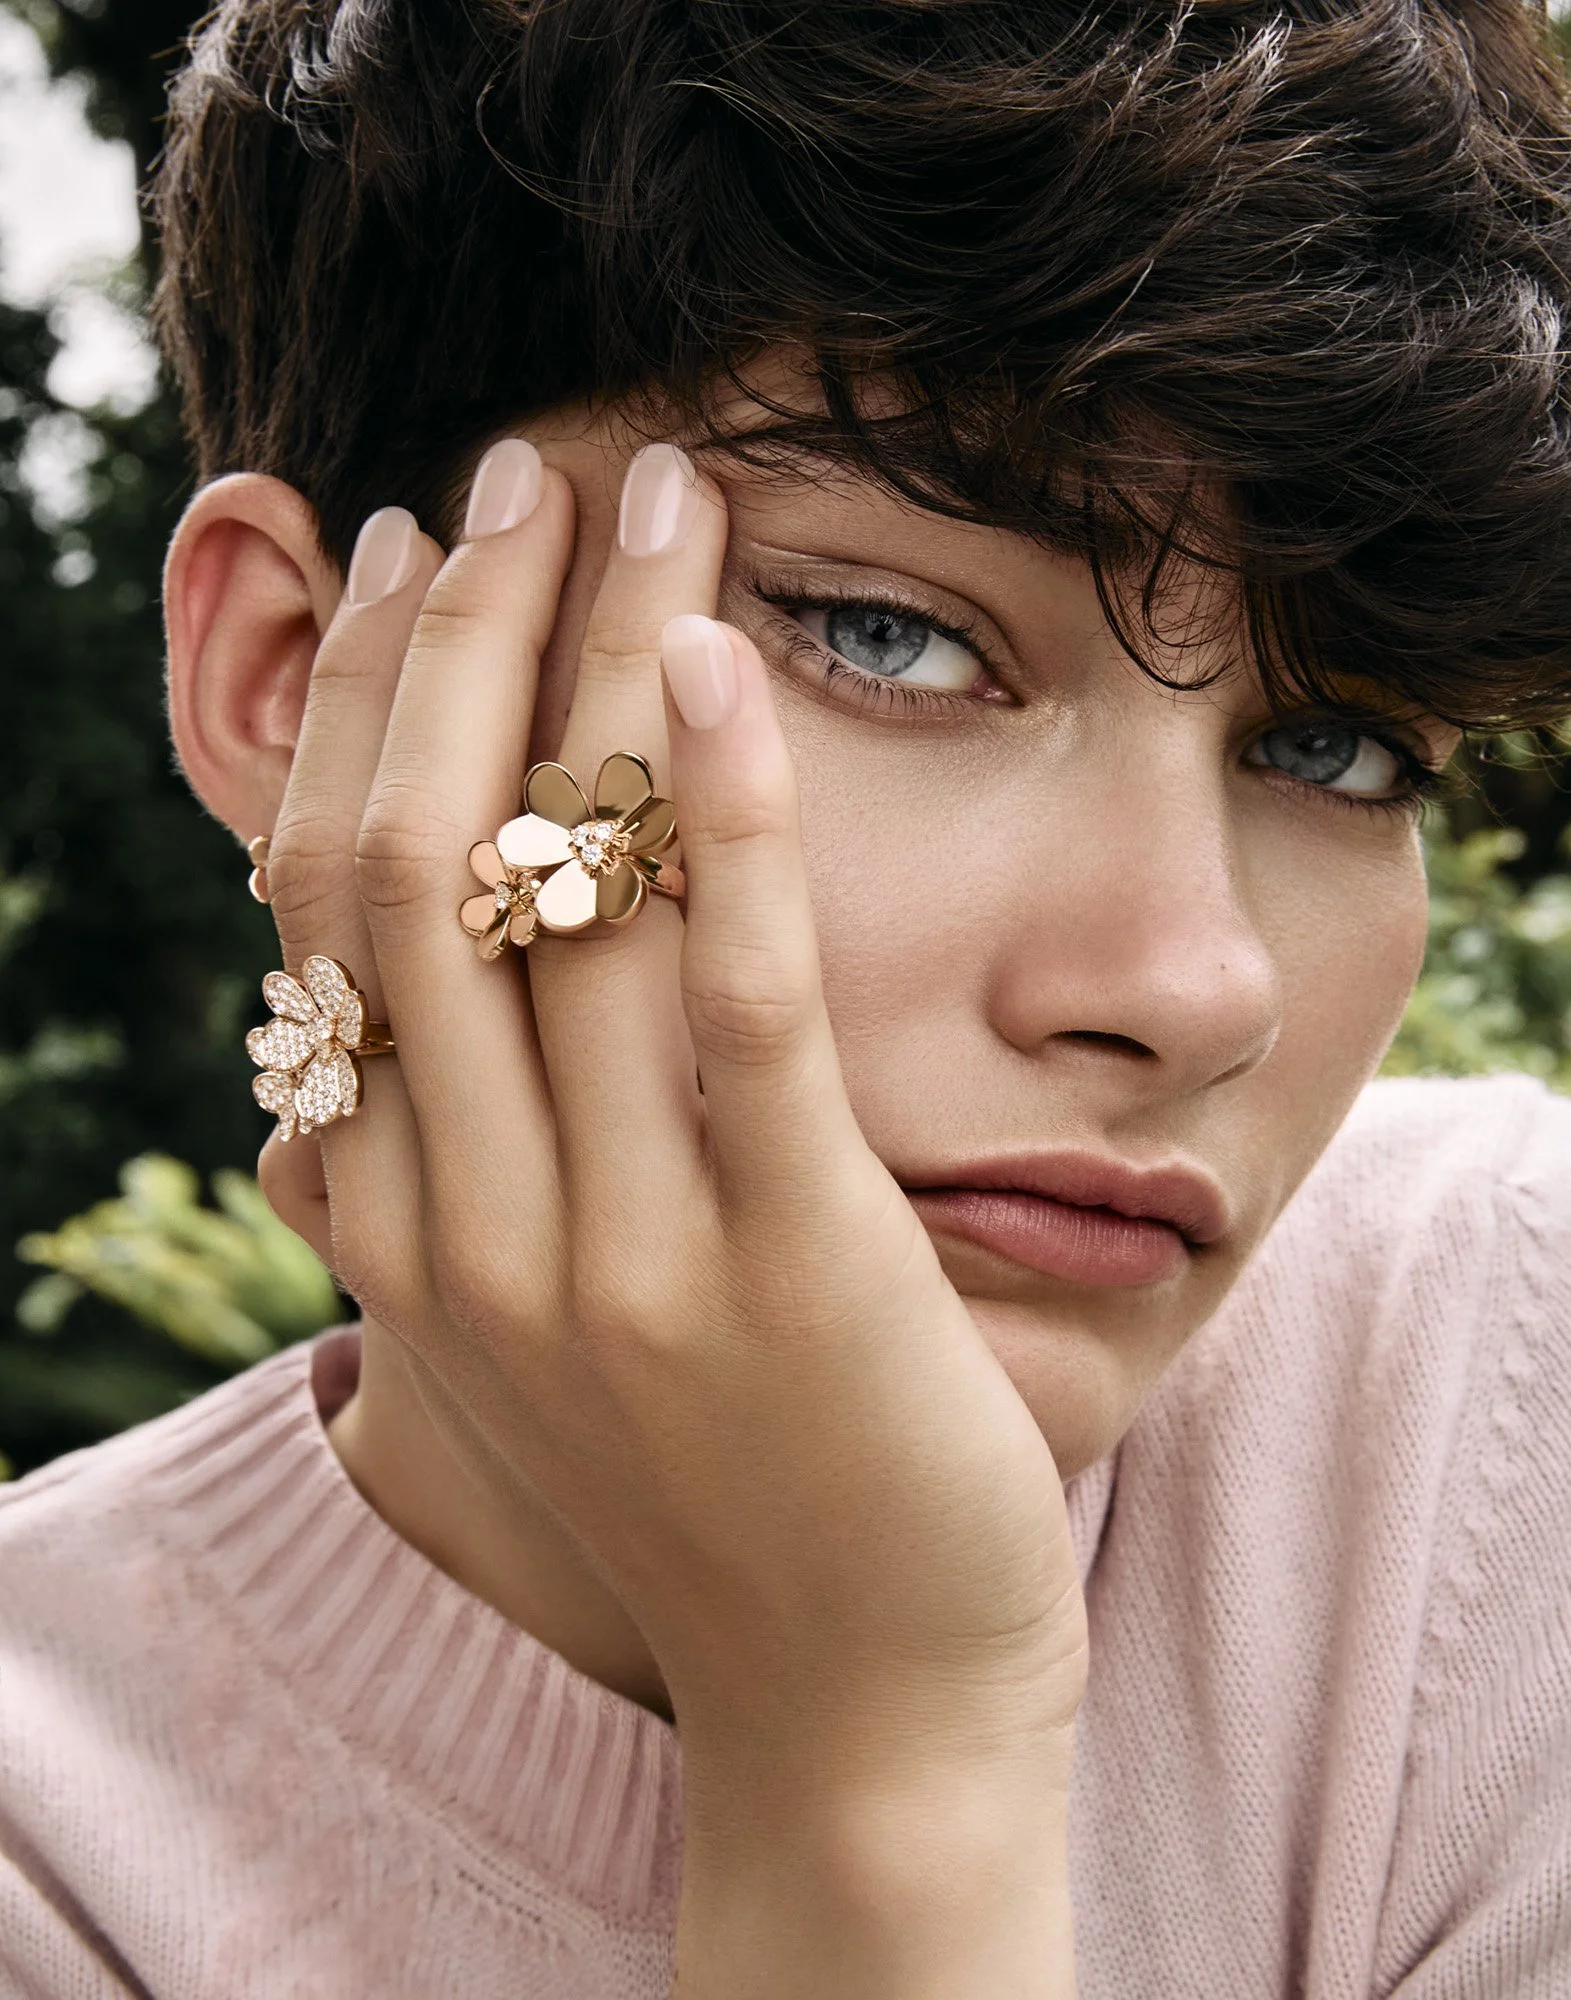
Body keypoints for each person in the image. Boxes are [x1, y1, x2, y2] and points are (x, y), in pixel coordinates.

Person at [3, 0, 1570, 1993]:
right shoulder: (54, 1858)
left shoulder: (1502, 1406)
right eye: (883, 635)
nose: (1192, 986)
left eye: (1340, 749)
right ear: (296, 684)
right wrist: (879, 1764)